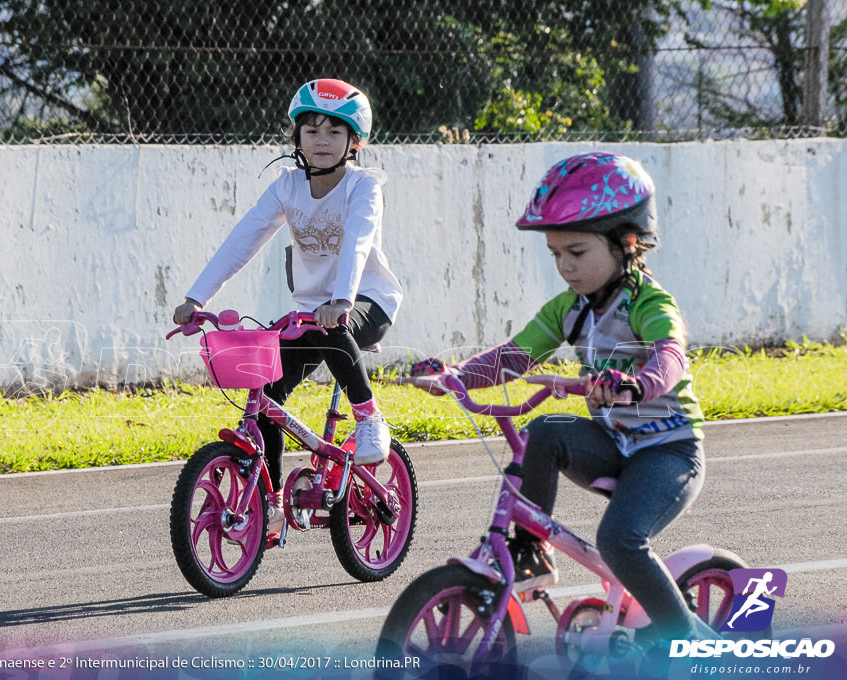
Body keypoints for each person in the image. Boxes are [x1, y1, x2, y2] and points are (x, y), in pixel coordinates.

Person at [415, 152, 707, 642]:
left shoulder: (650, 304)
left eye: (576, 252)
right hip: (614, 443)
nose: (565, 267)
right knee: (543, 433)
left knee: (619, 541)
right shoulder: (569, 310)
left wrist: (639, 383)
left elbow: (669, 353)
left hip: (668, 451)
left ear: (627, 242)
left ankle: (685, 644)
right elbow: (515, 355)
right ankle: (530, 551)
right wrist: (457, 375)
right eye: (556, 255)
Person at [173, 78, 403, 533]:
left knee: (331, 332)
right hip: (313, 312)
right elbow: (244, 238)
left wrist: (342, 299)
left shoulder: (363, 188)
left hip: (366, 302)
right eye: (312, 130)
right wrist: (196, 297)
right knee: (268, 391)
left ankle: (368, 417)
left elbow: (357, 242)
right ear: (296, 137)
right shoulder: (286, 187)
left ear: (354, 142)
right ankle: (273, 501)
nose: (322, 140)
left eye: (335, 132)